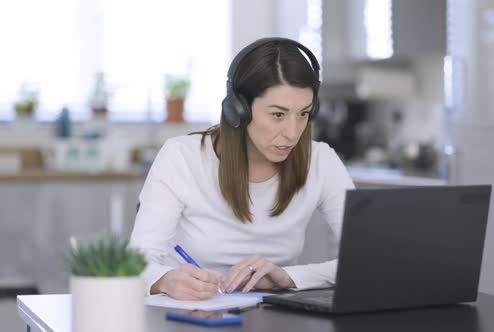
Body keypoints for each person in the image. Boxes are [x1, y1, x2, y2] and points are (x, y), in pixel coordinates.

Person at [129, 37, 355, 300]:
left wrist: (289, 277)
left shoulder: (321, 162)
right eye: (278, 115)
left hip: (274, 317)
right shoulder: (182, 157)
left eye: (303, 114)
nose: (293, 133)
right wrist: (166, 280)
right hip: (190, 315)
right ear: (239, 110)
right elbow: (137, 264)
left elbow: (367, 260)